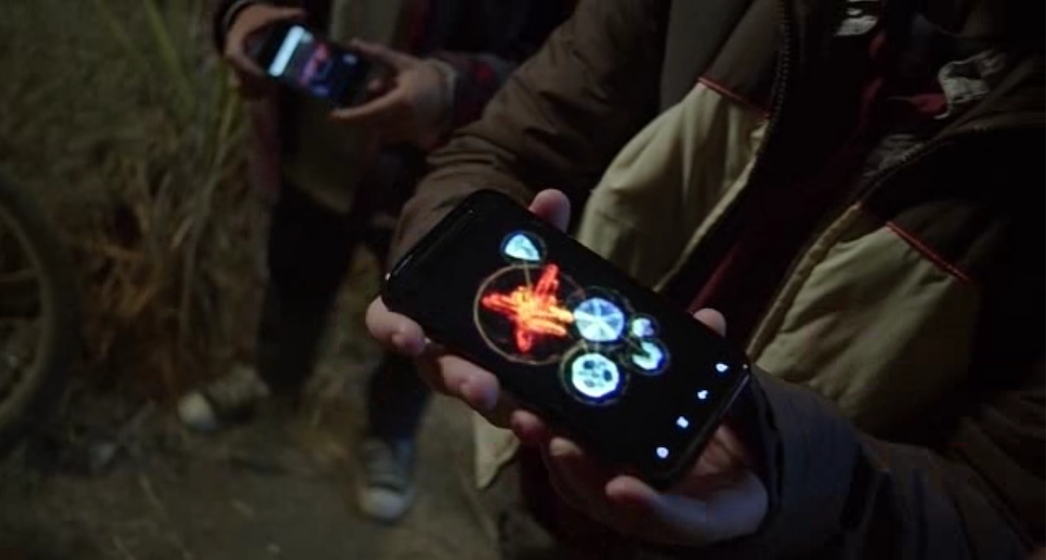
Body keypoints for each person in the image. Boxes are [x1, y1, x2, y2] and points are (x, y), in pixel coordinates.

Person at [367, 0, 1044, 556]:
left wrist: (795, 480)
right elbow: (504, 148)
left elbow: (999, 509)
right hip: (544, 471)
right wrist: (440, 252)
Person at [177, 0, 571, 523]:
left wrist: (454, 88)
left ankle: (390, 433)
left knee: (421, 321)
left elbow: (565, 66)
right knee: (295, 275)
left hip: (434, 179)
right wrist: (241, 15)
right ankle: (272, 382)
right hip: (315, 150)